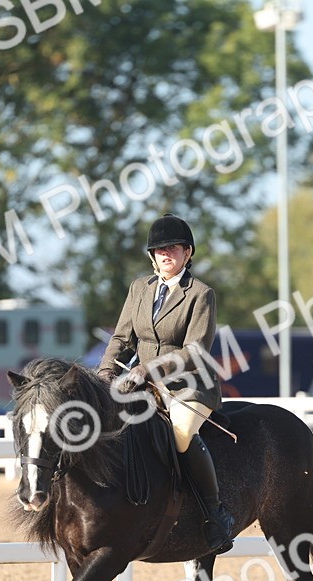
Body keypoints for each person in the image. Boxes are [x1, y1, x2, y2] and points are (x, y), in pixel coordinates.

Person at [98, 213, 237, 554]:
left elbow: (194, 350)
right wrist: (104, 376)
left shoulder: (201, 294)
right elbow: (121, 339)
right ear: (151, 255)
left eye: (173, 248)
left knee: (180, 432)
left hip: (189, 385)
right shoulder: (139, 289)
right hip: (140, 384)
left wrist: (147, 372)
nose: (166, 254)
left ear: (188, 253)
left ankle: (215, 514)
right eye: (159, 249)